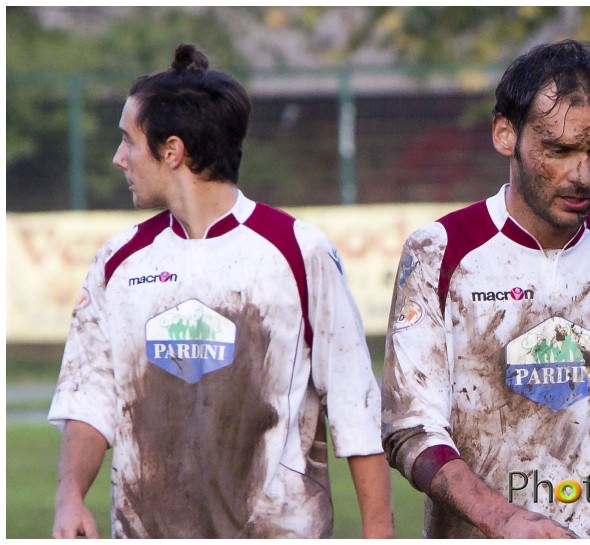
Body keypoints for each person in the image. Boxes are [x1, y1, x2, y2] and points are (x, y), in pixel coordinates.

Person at [48, 43, 394, 539]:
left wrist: (378, 534)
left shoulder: (299, 251)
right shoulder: (118, 260)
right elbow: (89, 399)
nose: (117, 158)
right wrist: (70, 500)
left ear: (172, 151)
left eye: (128, 140)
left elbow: (355, 406)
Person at [382, 39, 590, 539]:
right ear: (505, 134)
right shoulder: (441, 252)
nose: (581, 174)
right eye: (557, 149)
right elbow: (410, 430)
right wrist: (503, 520)